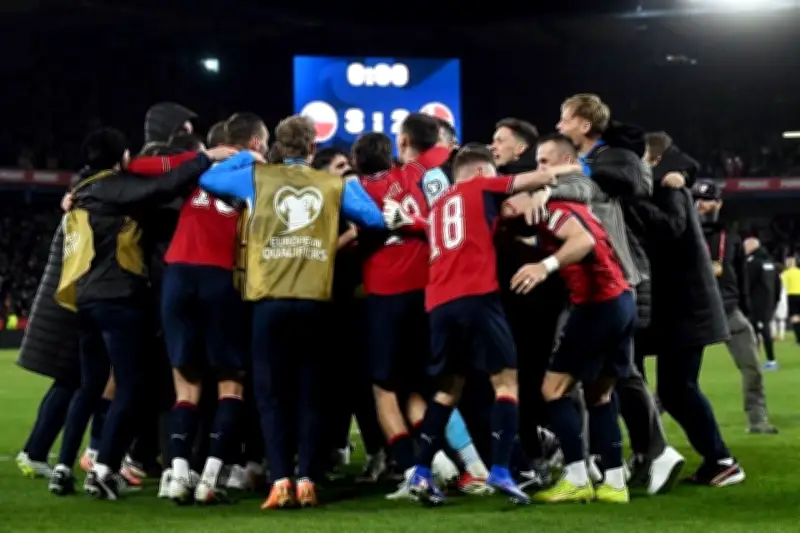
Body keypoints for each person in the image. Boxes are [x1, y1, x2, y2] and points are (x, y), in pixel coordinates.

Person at [197, 114, 386, 510]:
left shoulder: (258, 177)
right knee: (310, 394)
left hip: (269, 300)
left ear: (278, 148)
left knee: (270, 394)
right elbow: (374, 219)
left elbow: (208, 180)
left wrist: (245, 158)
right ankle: (308, 481)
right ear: (313, 149)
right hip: (316, 301)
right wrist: (349, 186)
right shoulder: (331, 183)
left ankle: (280, 479)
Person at [50, 128, 233, 499]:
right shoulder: (112, 187)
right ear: (122, 157)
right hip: (116, 298)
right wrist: (204, 159)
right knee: (131, 385)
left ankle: (69, 465)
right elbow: (158, 189)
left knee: (94, 386)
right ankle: (102, 466)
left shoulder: (85, 189)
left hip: (86, 298)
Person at [384, 143, 564, 506]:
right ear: (482, 172)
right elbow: (540, 176)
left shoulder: (439, 208)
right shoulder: (482, 186)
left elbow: (439, 229)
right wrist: (548, 183)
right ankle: (500, 470)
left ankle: (420, 472)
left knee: (448, 389)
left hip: (439, 304)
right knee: (506, 383)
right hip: (478, 297)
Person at [162, 112, 269, 504]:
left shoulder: (197, 172)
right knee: (231, 383)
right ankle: (209, 478)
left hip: (176, 274)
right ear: (256, 144)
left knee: (186, 387)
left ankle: (176, 475)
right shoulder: (258, 175)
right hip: (220, 276)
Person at [635, 135, 744, 487]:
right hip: (678, 308)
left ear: (650, 160)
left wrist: (636, 201)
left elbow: (672, 228)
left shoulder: (669, 189)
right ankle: (713, 459)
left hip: (685, 308)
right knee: (673, 387)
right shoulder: (667, 183)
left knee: (678, 387)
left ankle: (721, 459)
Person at [693, 181, 777, 434]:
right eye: (697, 199)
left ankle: (757, 420)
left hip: (729, 311)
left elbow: (741, 278)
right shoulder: (684, 233)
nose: (701, 204)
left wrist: (748, 313)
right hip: (694, 312)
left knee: (752, 369)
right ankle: (652, 423)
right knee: (678, 379)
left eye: (707, 200)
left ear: (719, 203)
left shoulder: (731, 237)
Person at [744, 237, 781, 369]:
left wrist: (745, 301)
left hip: (756, 304)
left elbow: (747, 284)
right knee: (762, 330)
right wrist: (775, 301)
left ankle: (767, 360)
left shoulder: (753, 263)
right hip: (769, 303)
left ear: (750, 247)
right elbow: (778, 284)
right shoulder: (770, 262)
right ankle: (764, 359)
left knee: (757, 332)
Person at [780, 255, 800, 343]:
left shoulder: (785, 273)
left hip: (792, 295)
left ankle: (798, 338)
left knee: (795, 317)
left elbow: (783, 286)